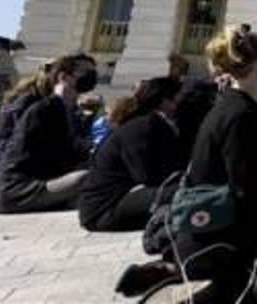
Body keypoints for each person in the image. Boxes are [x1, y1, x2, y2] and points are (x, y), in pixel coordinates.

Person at [115, 29, 257, 303]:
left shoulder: (231, 105)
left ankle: (176, 270)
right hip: (224, 237)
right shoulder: (246, 117)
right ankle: (215, 289)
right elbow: (247, 193)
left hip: (208, 229)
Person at [0, 55, 96, 214]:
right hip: (20, 189)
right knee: (86, 178)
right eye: (85, 72)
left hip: (37, 180)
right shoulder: (44, 108)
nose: (91, 77)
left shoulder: (68, 109)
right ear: (63, 76)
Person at [79, 77, 185, 232]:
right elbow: (147, 176)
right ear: (164, 101)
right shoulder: (142, 126)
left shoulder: (150, 123)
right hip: (104, 211)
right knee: (182, 195)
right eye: (178, 99)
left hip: (115, 203)